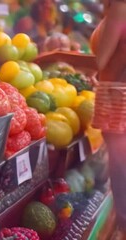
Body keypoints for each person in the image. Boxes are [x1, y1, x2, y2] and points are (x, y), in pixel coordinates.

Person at [93, 0, 126, 239]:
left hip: (118, 102)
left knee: (122, 175)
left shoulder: (120, 7)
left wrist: (54, 55)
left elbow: (100, 60)